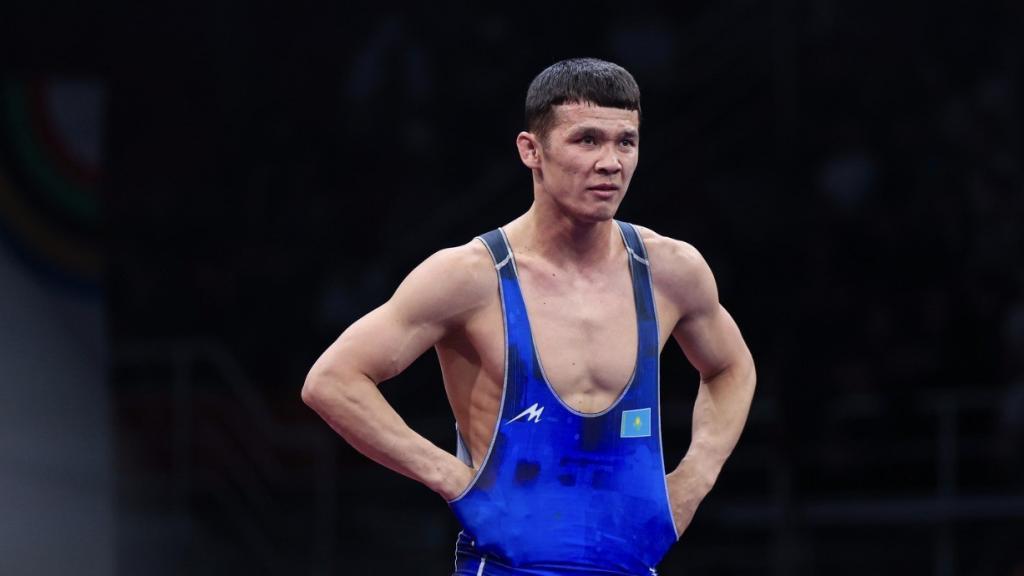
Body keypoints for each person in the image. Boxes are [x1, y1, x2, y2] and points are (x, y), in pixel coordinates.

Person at [302, 57, 756, 575]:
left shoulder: (670, 270)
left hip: (629, 563)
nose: (610, 162)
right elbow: (332, 380)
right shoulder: (470, 277)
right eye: (587, 140)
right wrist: (453, 479)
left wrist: (694, 478)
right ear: (531, 150)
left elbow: (732, 367)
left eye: (625, 142)